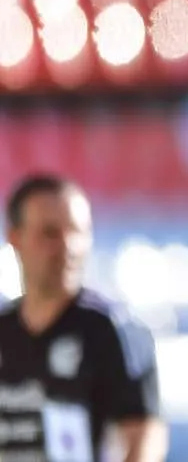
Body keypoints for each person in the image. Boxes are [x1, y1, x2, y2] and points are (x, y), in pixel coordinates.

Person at [0, 173, 167, 462]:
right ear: (15, 238)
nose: (67, 248)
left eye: (77, 232)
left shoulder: (111, 329)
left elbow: (144, 434)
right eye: (50, 233)